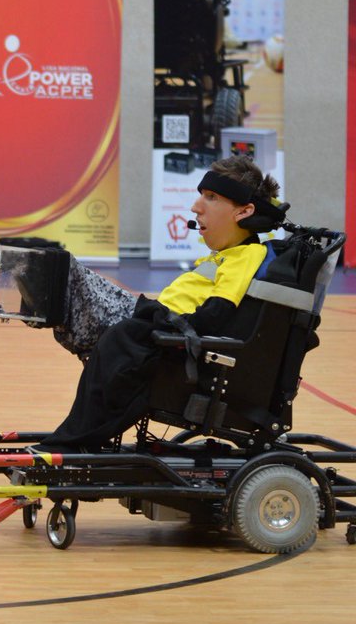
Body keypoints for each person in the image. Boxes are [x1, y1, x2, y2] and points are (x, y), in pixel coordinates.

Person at [31, 156, 284, 451]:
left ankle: (29, 274)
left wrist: (169, 324)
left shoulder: (246, 256)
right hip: (153, 321)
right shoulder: (224, 255)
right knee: (66, 273)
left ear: (245, 211)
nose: (196, 207)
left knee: (66, 274)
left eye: (211, 198)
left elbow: (216, 314)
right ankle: (33, 277)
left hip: (160, 331)